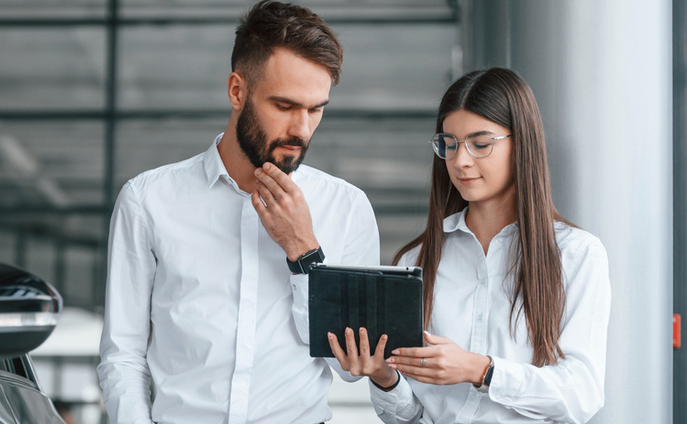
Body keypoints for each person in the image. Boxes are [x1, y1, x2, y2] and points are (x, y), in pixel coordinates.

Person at [97, 1, 380, 423]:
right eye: (285, 106)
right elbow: (123, 354)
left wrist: (304, 252)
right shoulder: (148, 201)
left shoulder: (347, 208)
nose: (302, 130)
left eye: (316, 109)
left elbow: (351, 369)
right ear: (237, 91)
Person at [327, 68, 610, 423]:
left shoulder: (577, 255)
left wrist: (481, 370)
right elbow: (410, 417)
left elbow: (581, 394)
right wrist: (384, 377)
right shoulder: (417, 261)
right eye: (449, 144)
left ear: (521, 143)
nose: (460, 161)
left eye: (480, 144)